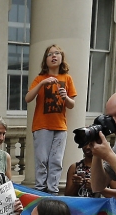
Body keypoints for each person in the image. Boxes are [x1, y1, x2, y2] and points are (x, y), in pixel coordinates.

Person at [26, 45, 77, 193]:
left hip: (60, 127)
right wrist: (42, 83)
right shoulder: (39, 78)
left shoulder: (67, 78)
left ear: (61, 58)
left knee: (56, 160)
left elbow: (72, 104)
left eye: (56, 53)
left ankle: (52, 190)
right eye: (49, 54)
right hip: (42, 125)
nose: (53, 56)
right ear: (45, 60)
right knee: (42, 159)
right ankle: (40, 190)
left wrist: (65, 97)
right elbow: (28, 98)